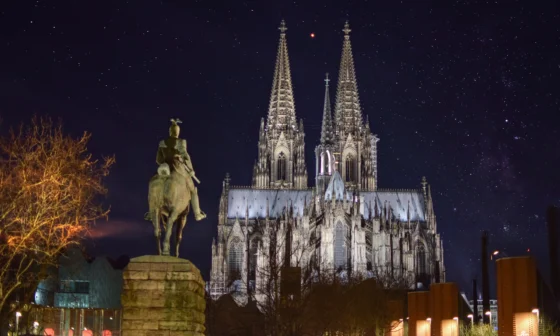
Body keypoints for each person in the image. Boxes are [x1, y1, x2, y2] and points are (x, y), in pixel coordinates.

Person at [149, 118, 206, 221]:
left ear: (170, 131)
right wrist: (191, 169)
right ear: (177, 132)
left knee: (153, 184)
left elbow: (158, 159)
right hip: (178, 167)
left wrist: (165, 161)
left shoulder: (162, 142)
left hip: (165, 168)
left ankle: (151, 211)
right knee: (193, 190)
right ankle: (197, 213)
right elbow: (185, 155)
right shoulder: (181, 142)